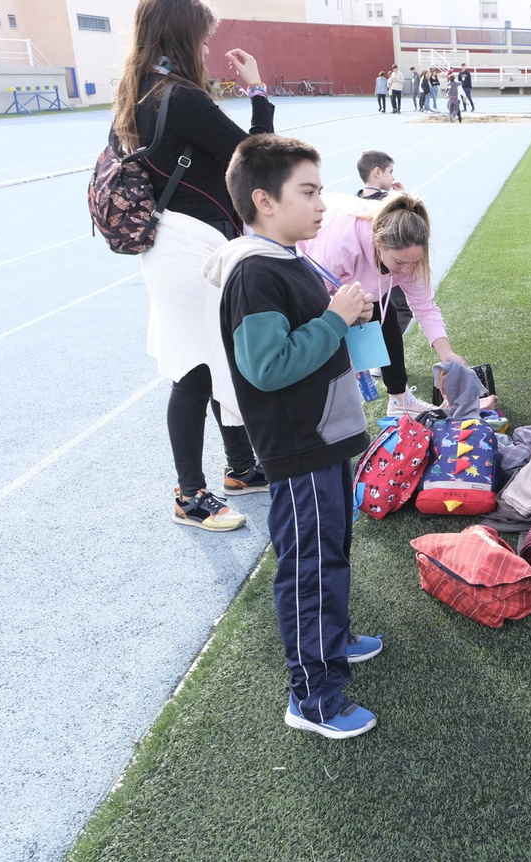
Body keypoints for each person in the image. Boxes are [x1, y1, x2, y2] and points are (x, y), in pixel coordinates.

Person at [212, 134, 383, 739]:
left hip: (326, 435)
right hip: (300, 446)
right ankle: (312, 697)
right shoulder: (256, 272)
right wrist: (335, 318)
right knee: (309, 565)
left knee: (330, 550)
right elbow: (268, 366)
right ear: (263, 200)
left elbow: (314, 330)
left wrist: (345, 315)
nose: (320, 204)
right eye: (307, 192)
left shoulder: (289, 258)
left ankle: (333, 640)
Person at [111, 0, 272, 532]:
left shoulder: (141, 91)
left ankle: (242, 468)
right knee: (195, 371)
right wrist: (257, 88)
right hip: (188, 247)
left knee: (216, 359)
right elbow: (258, 156)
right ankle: (189, 495)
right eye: (202, 40)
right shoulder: (177, 97)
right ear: (181, 36)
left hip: (183, 243)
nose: (206, 49)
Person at [302, 186, 489, 418]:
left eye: (414, 261)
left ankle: (399, 400)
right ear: (379, 243)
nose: (407, 270)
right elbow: (312, 303)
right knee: (338, 335)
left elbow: (425, 307)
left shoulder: (408, 257)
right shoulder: (342, 248)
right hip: (312, 262)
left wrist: (447, 353)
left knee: (386, 314)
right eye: (400, 263)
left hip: (363, 270)